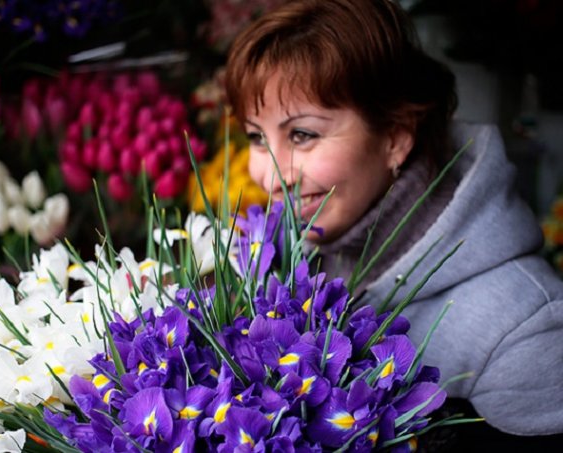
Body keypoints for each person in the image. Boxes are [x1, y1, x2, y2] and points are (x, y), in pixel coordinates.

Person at [224, 0, 563, 440]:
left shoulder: (525, 329)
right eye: (256, 136)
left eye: (302, 135)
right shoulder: (293, 262)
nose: (268, 176)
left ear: (396, 138)